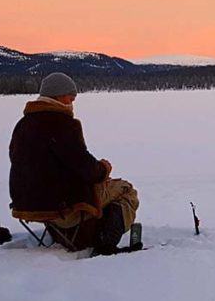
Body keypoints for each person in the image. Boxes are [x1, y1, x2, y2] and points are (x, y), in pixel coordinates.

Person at [9, 72, 139, 254]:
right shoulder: (62, 124)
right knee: (126, 189)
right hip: (62, 206)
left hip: (29, 204)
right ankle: (105, 244)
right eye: (70, 96)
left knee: (106, 188)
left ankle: (71, 234)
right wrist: (104, 168)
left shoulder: (23, 125)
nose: (73, 101)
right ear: (58, 95)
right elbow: (86, 168)